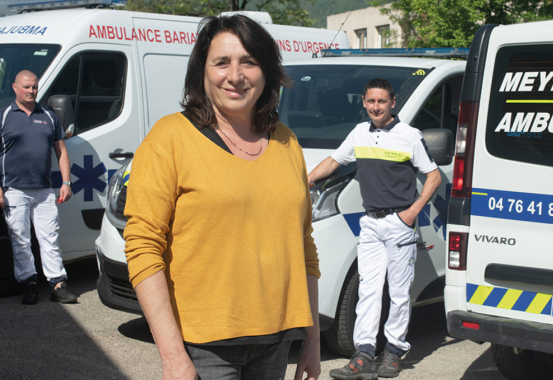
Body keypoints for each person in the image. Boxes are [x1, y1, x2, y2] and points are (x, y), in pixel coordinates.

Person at [123, 15, 321, 380]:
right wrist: (172, 356)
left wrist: (312, 340)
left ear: (267, 72)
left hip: (276, 343)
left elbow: (304, 247)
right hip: (202, 350)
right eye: (222, 62)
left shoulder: (286, 141)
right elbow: (142, 247)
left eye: (249, 61)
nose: (235, 75)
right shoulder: (170, 138)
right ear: (202, 71)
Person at [308, 78, 442, 379]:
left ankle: (393, 352)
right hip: (369, 224)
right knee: (368, 290)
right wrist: (304, 179)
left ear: (392, 103)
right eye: (370, 101)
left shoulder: (409, 135)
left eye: (381, 101)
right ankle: (364, 353)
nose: (376, 107)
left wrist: (412, 213)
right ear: (365, 103)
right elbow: (334, 161)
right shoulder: (359, 133)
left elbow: (433, 176)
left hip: (399, 224)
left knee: (398, 292)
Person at [0, 70, 76, 305]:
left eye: (34, 87)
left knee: (49, 238)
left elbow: (62, 152)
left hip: (44, 190)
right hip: (14, 189)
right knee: (20, 239)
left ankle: (58, 284)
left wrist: (66, 182)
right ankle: (30, 283)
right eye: (26, 87)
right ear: (14, 87)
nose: (31, 91)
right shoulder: (2, 117)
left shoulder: (49, 116)